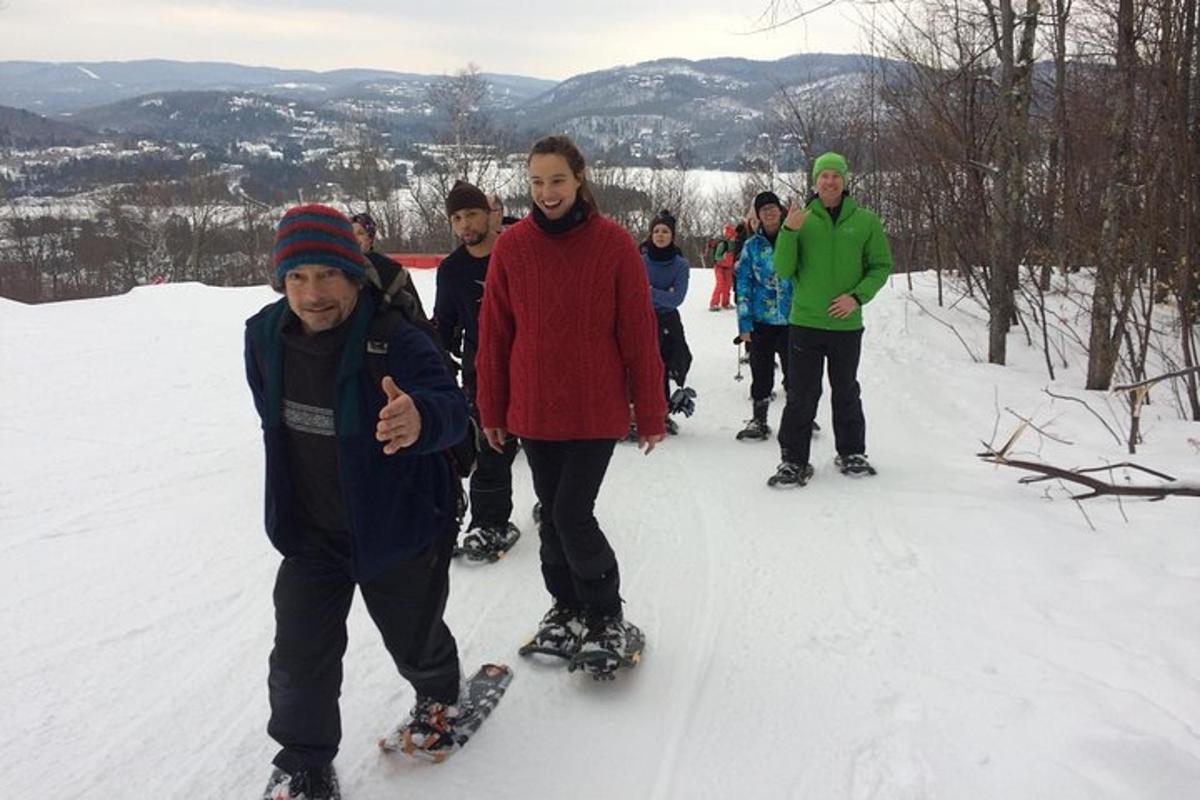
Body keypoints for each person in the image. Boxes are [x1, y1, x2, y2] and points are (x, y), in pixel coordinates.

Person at [246, 205, 472, 798]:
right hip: (312, 534)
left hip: (398, 528)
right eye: (297, 277)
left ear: (353, 274)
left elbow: (454, 411)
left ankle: (440, 697)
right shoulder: (263, 338)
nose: (312, 293)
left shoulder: (394, 340)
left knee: (414, 637)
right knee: (298, 656)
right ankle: (304, 760)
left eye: (327, 275)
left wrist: (420, 417)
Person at [475, 134, 665, 675]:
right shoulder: (512, 247)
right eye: (536, 182)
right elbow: (495, 336)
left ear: (578, 178)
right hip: (534, 410)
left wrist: (649, 411)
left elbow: (638, 334)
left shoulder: (613, 245)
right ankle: (565, 607)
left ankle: (605, 615)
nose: (547, 192)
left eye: (557, 179)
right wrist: (491, 409)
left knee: (570, 513)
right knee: (553, 518)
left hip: (594, 408)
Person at [770, 151, 893, 486]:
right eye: (824, 175)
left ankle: (852, 452)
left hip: (846, 325)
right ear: (815, 181)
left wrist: (856, 297)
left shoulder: (865, 221)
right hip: (806, 322)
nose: (830, 181)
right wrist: (789, 231)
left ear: (845, 180)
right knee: (801, 394)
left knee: (846, 390)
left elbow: (881, 266)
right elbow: (782, 269)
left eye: (836, 175)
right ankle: (793, 461)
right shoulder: (801, 219)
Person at [433, 180, 522, 560]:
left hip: (530, 364)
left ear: (489, 215)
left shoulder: (518, 253)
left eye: (471, 214)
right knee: (492, 447)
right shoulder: (452, 270)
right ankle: (489, 523)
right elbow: (447, 324)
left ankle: (556, 509)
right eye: (457, 217)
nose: (465, 224)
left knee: (547, 446)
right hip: (482, 369)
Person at [733, 190, 794, 442]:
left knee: (797, 372)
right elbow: (743, 285)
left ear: (781, 211)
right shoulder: (751, 246)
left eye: (773, 207)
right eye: (763, 209)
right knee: (761, 371)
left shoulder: (794, 239)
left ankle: (800, 418)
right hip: (762, 321)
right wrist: (744, 324)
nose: (769, 212)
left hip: (794, 319)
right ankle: (759, 419)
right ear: (757, 216)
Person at [640, 209, 694, 435]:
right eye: (656, 231)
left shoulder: (680, 265)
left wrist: (649, 290)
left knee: (667, 363)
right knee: (643, 366)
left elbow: (677, 299)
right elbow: (634, 292)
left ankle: (662, 411)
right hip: (642, 318)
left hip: (668, 321)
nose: (660, 235)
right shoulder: (639, 260)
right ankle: (637, 411)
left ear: (672, 236)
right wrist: (662, 292)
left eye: (665, 231)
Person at [349, 211, 427, 318]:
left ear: (370, 238)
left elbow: (416, 315)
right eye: (350, 234)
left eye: (360, 233)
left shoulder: (392, 271)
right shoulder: (339, 270)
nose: (354, 238)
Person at [709, 223, 736, 311]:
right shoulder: (723, 245)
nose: (733, 238)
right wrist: (723, 258)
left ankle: (725, 303)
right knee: (720, 284)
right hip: (719, 267)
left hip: (729, 268)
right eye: (731, 235)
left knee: (728, 285)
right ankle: (714, 303)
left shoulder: (735, 245)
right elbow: (717, 257)